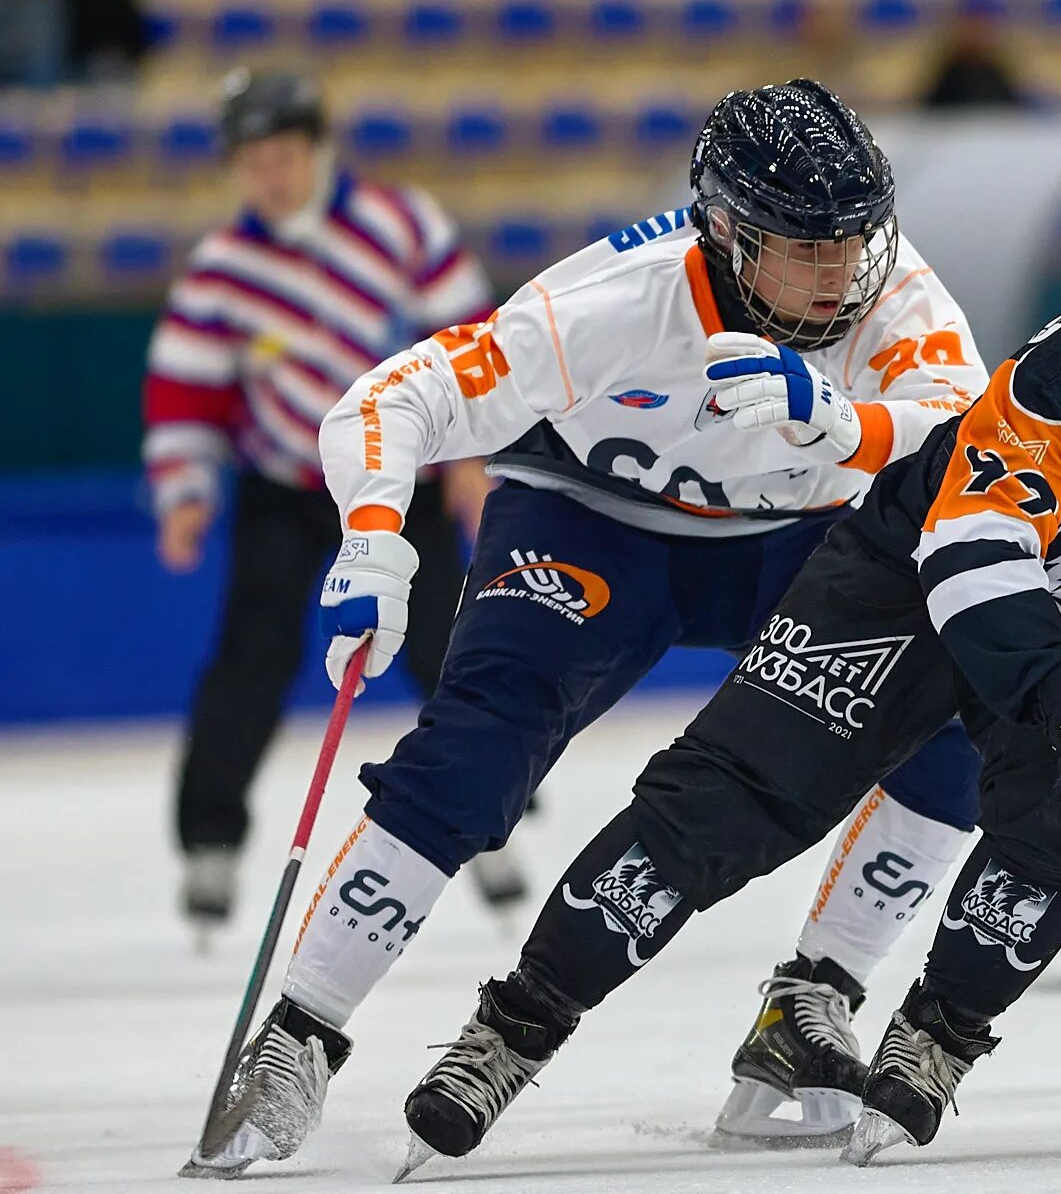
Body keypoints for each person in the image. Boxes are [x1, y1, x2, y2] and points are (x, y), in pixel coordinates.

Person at [392, 161, 1061, 1172]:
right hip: (908, 582)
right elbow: (971, 565)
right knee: (718, 807)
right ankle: (510, 1031)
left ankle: (935, 1037)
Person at [183, 79, 991, 1177]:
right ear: (726, 230)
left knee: (955, 715)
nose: (841, 272)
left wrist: (843, 421)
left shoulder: (898, 293)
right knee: (471, 757)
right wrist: (373, 541)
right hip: (594, 523)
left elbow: (970, 434)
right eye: (805, 246)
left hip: (791, 537)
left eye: (855, 239)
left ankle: (805, 1008)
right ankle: (298, 1034)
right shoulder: (612, 299)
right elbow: (386, 403)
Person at [142, 68, 500, 944]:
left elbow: (472, 346)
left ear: (317, 148)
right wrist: (186, 491)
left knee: (448, 645)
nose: (274, 175)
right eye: (254, 160)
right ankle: (210, 840)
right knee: (250, 660)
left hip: (401, 483)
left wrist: (470, 456)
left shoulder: (402, 226)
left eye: (286, 154)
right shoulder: (223, 271)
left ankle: (493, 810)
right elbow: (186, 394)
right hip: (286, 490)